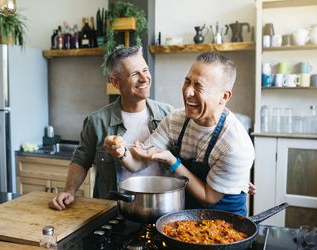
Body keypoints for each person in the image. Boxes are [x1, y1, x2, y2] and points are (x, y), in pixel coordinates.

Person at [104, 52, 255, 216]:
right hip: (184, 218)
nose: (188, 92)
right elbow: (137, 163)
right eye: (187, 81)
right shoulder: (175, 120)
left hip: (224, 225)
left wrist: (173, 162)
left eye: (199, 86)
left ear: (223, 97)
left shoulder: (235, 146)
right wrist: (121, 152)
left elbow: (208, 198)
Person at [49, 46, 174, 210]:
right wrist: (69, 190)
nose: (144, 78)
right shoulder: (96, 121)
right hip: (113, 212)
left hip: (161, 209)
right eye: (135, 74)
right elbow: (81, 160)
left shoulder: (169, 115)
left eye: (145, 70)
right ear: (115, 82)